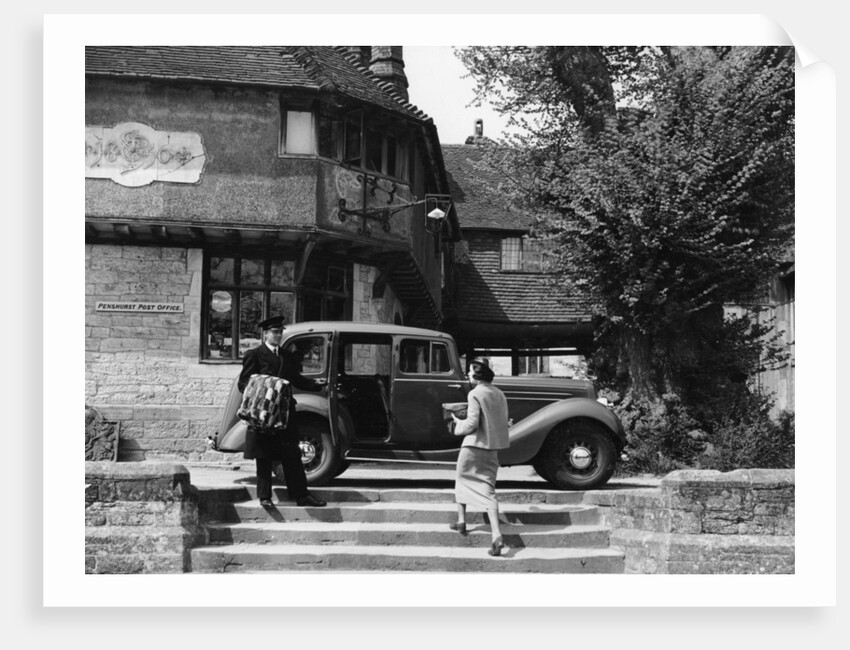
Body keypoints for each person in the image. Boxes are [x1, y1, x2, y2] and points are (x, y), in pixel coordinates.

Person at [238, 315, 327, 508]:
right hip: (263, 413)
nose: (278, 335)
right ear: (266, 334)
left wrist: (316, 385)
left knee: (292, 453)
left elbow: (296, 379)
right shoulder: (254, 354)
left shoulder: (286, 355)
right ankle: (265, 497)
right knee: (264, 455)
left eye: (280, 332)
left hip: (284, 412)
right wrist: (266, 387)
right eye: (274, 332)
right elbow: (243, 383)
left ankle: (301, 495)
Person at [450, 358, 511, 556]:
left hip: (473, 447)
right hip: (492, 449)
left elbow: (471, 424)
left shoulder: (474, 393)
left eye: (469, 372)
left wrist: (455, 423)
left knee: (461, 479)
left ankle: (462, 521)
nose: (468, 375)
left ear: (477, 374)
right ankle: (496, 535)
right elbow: (503, 421)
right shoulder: (499, 393)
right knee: (488, 490)